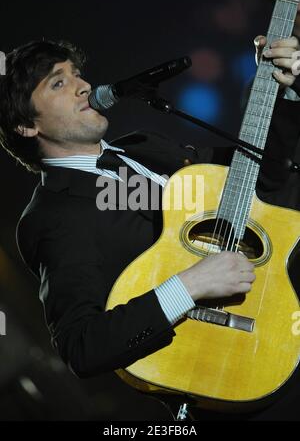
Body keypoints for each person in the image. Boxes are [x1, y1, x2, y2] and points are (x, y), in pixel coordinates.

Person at [0, 33, 299, 421]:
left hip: (286, 319)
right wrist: (190, 286)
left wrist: (278, 88)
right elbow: (82, 346)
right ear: (25, 125)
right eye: (59, 83)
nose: (84, 85)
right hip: (235, 373)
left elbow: (259, 177)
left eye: (77, 74)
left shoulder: (146, 147)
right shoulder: (53, 216)